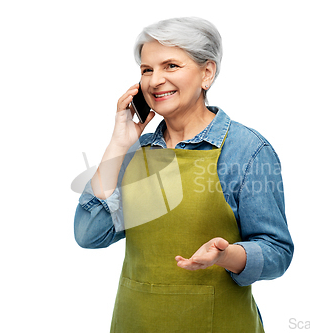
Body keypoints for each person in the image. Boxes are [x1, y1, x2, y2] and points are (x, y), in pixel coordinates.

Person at [74, 17, 293, 332]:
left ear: (207, 73)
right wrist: (119, 144)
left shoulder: (247, 151)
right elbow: (88, 234)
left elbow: (278, 251)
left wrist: (227, 255)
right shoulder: (135, 153)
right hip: (135, 323)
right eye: (147, 70)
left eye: (171, 66)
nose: (155, 80)